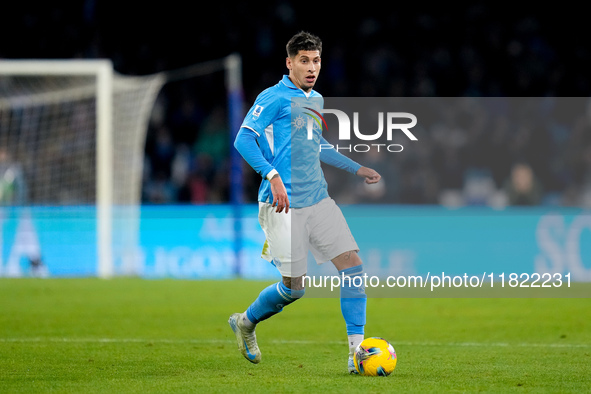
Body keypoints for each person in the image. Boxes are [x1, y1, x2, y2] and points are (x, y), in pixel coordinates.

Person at [228, 31, 381, 373]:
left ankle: (357, 354)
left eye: (316, 61)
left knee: (353, 267)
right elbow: (243, 139)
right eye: (304, 61)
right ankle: (246, 323)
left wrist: (356, 168)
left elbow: (318, 145)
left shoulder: (316, 99)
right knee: (294, 290)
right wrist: (272, 175)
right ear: (289, 63)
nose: (312, 68)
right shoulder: (274, 98)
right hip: (282, 205)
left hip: (318, 200)